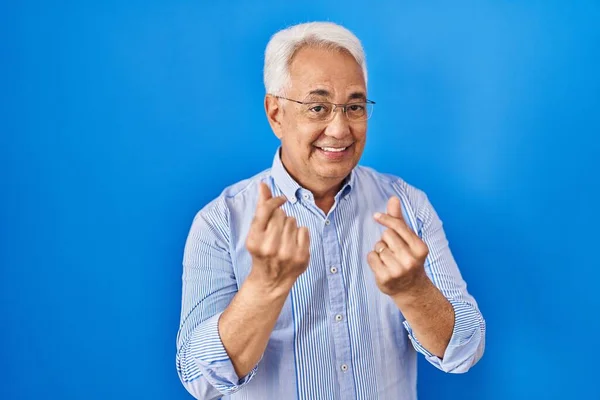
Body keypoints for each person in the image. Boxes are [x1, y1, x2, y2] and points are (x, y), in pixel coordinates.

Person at [175, 21, 485, 400]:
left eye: (354, 107)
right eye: (318, 107)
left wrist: (414, 290)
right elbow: (199, 378)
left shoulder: (407, 205)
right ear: (275, 113)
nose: (339, 129)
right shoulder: (220, 222)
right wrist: (264, 288)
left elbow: (466, 350)